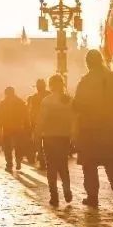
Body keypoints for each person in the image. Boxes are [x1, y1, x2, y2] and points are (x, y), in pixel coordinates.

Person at [73, 50, 113, 207]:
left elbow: (78, 103)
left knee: (89, 165)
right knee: (110, 160)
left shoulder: (86, 81)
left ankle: (93, 196)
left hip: (89, 128)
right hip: (108, 127)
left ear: (88, 63)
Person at [37, 74, 74, 207]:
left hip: (49, 137)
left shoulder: (47, 101)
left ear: (50, 85)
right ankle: (67, 191)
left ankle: (54, 196)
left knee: (51, 167)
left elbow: (41, 120)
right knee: (63, 166)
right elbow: (73, 119)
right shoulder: (68, 100)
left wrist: (36, 134)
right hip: (64, 137)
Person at [0, 87, 28, 172]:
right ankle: (18, 161)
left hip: (7, 127)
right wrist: (26, 125)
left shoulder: (3, 103)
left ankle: (9, 164)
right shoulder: (20, 102)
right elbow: (25, 114)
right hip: (18, 127)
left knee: (7, 147)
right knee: (18, 145)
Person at [27, 79, 50, 168]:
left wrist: (32, 124)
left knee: (39, 144)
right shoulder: (49, 94)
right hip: (49, 123)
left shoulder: (35, 97)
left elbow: (32, 112)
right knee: (48, 143)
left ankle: (42, 161)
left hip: (39, 124)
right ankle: (46, 160)